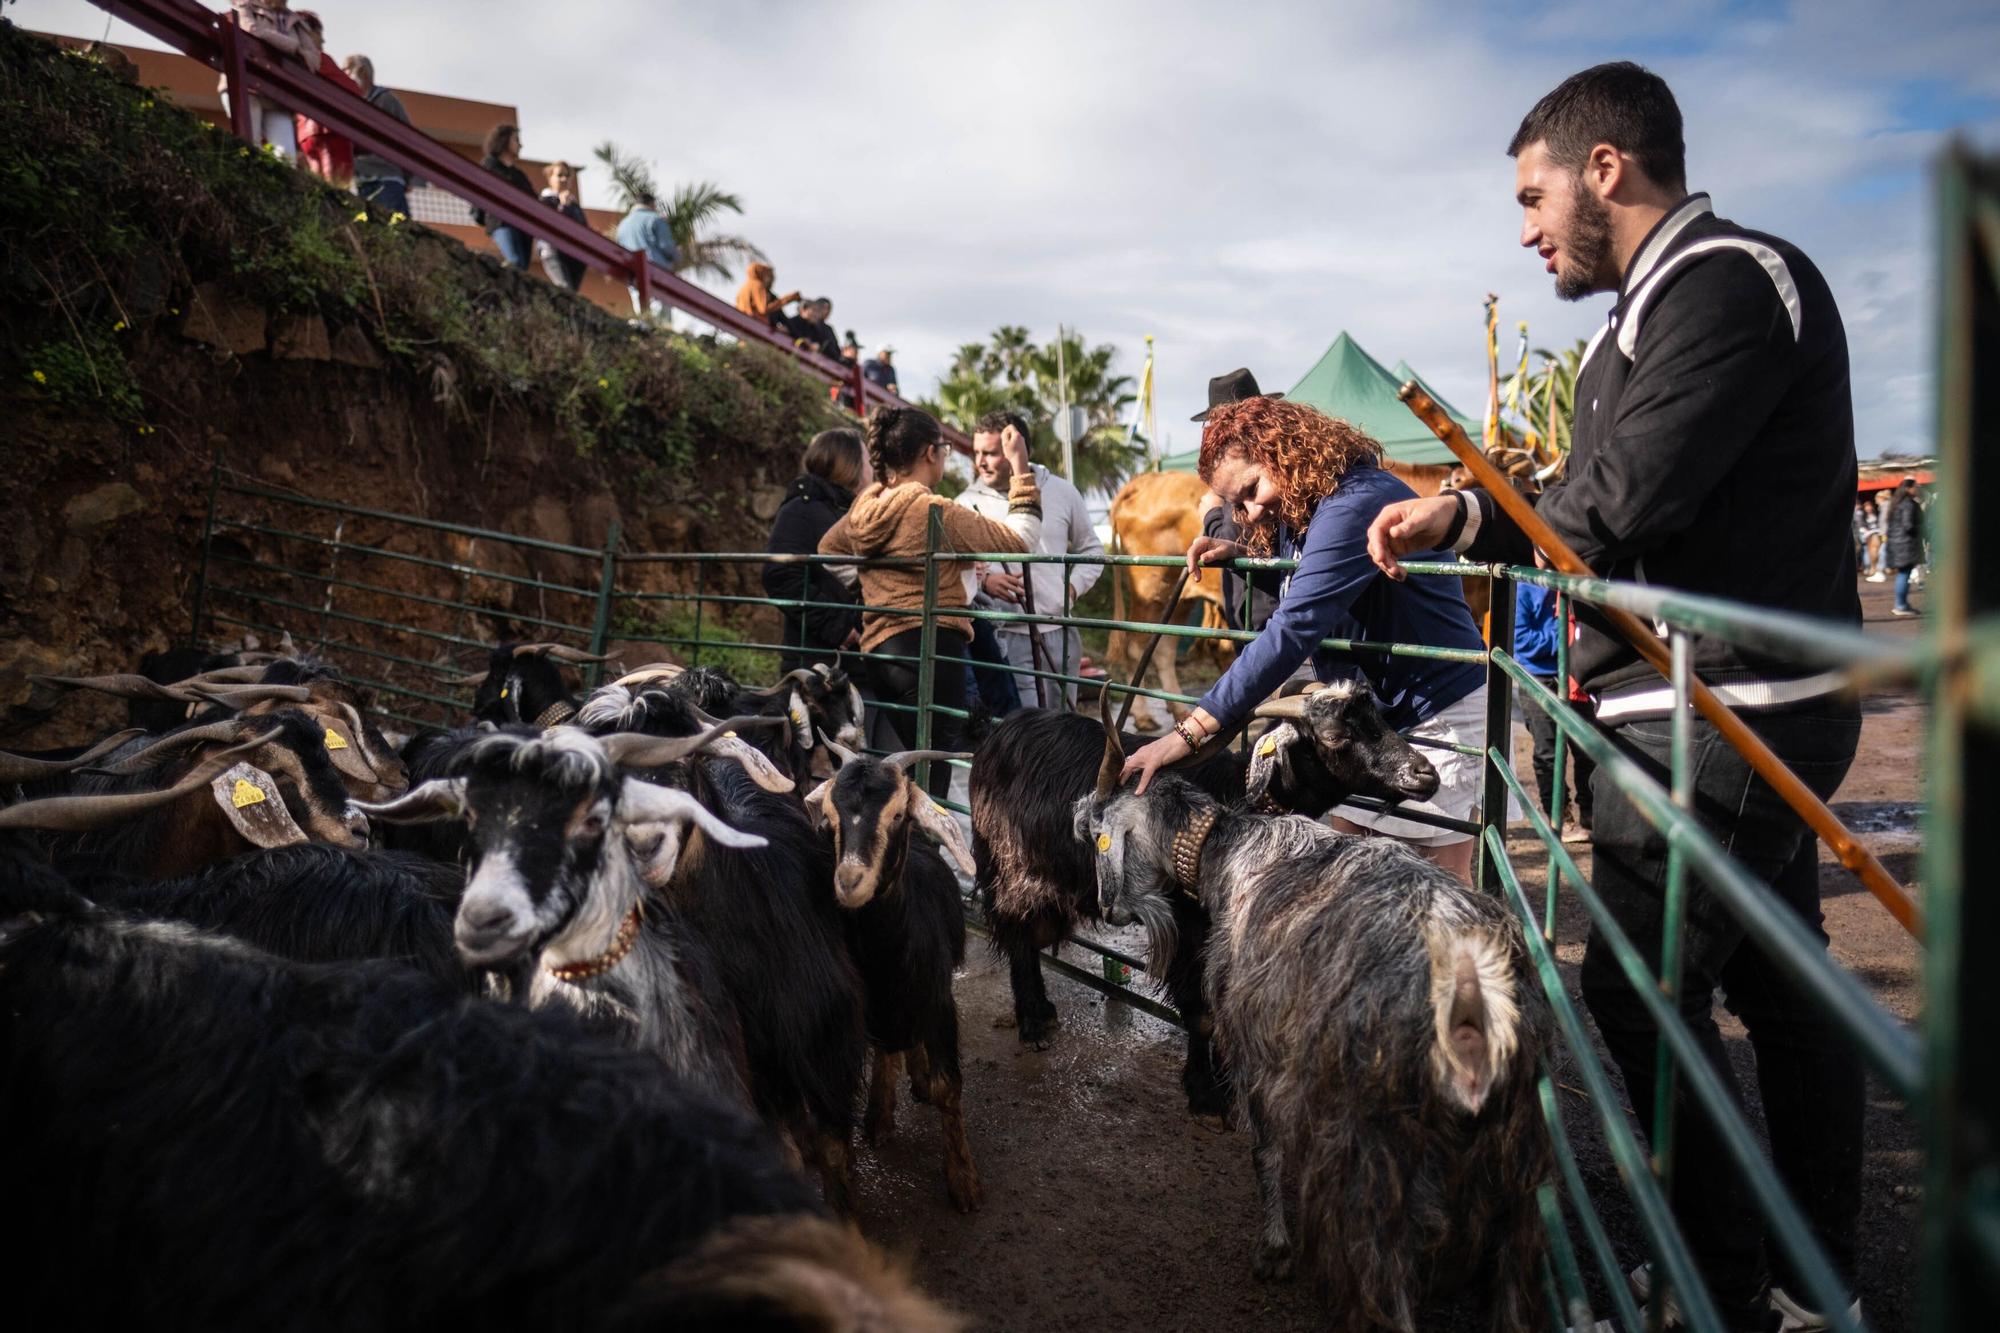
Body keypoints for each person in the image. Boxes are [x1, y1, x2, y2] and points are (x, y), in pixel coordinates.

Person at [1365, 63, 1864, 1331]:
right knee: (1778, 991)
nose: (1524, 228)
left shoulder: (1729, 281)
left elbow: (1620, 500)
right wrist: (1470, 507)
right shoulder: (1629, 327)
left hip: (1723, 706)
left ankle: (1728, 1280)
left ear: (1603, 169)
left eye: (1532, 196)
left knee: (1634, 994)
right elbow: (1581, 492)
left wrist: (1478, 513)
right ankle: (1804, 1278)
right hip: (1672, 706)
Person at [1121, 397, 1489, 882]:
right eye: (1234, 504)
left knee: (1433, 891)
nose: (1248, 512)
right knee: (1355, 884)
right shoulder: (1306, 514)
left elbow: (1294, 627)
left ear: (1284, 453)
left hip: (1432, 711)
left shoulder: (1355, 501)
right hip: (1369, 721)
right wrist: (1238, 553)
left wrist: (1186, 734)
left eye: (1251, 490)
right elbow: (1317, 581)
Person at [818, 408, 1040, 796]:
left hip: (881, 651)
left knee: (913, 763)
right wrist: (1021, 469)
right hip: (930, 651)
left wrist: (874, 586)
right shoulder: (934, 510)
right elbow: (1021, 538)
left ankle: (914, 850)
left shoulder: (866, 510)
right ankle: (924, 853)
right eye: (944, 449)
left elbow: (828, 551)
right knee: (933, 778)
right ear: (928, 454)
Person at [956, 410, 1104, 708]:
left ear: (1017, 451)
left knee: (1067, 724)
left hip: (1061, 632)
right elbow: (957, 567)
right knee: (1027, 735)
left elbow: (1092, 550)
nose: (980, 462)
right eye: (977, 453)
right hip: (1004, 637)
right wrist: (985, 582)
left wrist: (1071, 588)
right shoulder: (964, 503)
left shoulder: (1062, 491)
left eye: (991, 453)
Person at [763, 429, 869, 673]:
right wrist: (838, 627)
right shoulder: (802, 508)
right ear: (850, 464)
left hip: (848, 662)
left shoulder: (844, 509)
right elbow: (780, 575)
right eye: (867, 461)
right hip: (819, 664)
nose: (873, 468)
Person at [1192, 368, 1285, 632]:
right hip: (1255, 610)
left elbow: (1235, 537)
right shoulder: (1256, 462)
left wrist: (1211, 514)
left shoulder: (1249, 469)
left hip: (1264, 614)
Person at [1513, 581, 1595, 841]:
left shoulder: (1572, 583)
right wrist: (1565, 637)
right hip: (1537, 677)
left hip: (1573, 673)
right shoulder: (1525, 588)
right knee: (1548, 750)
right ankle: (1559, 816)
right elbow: (1521, 640)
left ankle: (1590, 816)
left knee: (1585, 748)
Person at [223, 1, 309, 158]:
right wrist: (294, 48)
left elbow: (312, 57)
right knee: (249, 146)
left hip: (278, 94)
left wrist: (294, 50)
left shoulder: (297, 22)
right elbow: (252, 30)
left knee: (286, 157)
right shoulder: (244, 6)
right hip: (246, 86)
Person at [342, 54, 425, 217]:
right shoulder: (350, 104)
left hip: (387, 177)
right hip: (361, 179)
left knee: (396, 228)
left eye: (347, 71)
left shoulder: (386, 100)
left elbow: (406, 139)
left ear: (362, 72)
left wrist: (407, 177)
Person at [290, 13, 356, 185]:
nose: (323, 41)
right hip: (329, 129)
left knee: (317, 182)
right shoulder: (319, 58)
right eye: (320, 35)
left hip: (305, 133)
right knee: (338, 183)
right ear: (308, 33)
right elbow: (353, 90)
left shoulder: (290, 59)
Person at [473, 124, 537, 270]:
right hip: (500, 221)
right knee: (514, 261)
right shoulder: (489, 165)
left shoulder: (519, 175)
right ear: (504, 140)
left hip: (523, 227)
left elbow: (533, 199)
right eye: (516, 140)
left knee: (523, 269)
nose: (520, 145)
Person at [614, 193, 680, 316]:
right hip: (657, 275)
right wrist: (677, 256)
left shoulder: (623, 225)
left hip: (633, 277)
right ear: (651, 204)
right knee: (661, 319)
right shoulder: (655, 219)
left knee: (643, 316)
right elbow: (666, 246)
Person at [536, 162, 588, 292]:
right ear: (550, 179)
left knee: (573, 295)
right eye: (559, 175)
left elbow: (583, 228)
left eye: (567, 175)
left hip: (576, 256)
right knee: (566, 290)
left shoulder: (574, 204)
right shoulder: (545, 201)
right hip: (553, 252)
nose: (564, 179)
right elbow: (551, 226)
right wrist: (563, 206)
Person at [1884, 478, 1925, 617]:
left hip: (1897, 544)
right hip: (1906, 544)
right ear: (1908, 489)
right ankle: (1900, 605)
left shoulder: (1896, 503)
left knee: (1903, 574)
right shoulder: (1908, 504)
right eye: (1915, 486)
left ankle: (1903, 604)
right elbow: (1908, 525)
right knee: (1904, 574)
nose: (1917, 489)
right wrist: (1923, 528)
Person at [734, 262, 800, 330]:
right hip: (756, 323)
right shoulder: (758, 285)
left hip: (744, 323)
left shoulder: (744, 288)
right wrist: (790, 298)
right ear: (761, 273)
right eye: (768, 275)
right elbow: (763, 309)